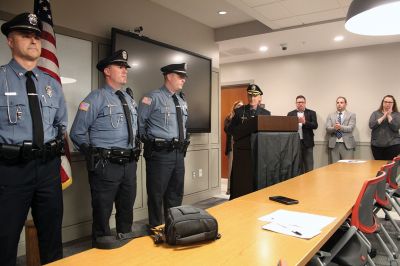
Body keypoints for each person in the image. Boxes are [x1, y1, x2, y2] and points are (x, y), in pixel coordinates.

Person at [0, 13, 68, 265]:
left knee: (52, 239)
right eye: (25, 35)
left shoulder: (51, 84)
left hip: (48, 169)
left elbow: (61, 123)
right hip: (10, 170)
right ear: (10, 41)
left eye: (37, 36)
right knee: (5, 239)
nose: (33, 40)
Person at [70, 50, 140, 246]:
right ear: (107, 71)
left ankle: (126, 243)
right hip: (106, 164)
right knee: (102, 211)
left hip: (129, 164)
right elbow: (77, 132)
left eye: (126, 67)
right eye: (120, 66)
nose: (125, 70)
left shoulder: (128, 98)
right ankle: (100, 246)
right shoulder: (96, 97)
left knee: (126, 209)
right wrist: (91, 153)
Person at [138, 63, 190, 227]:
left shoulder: (181, 100)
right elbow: (139, 125)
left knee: (175, 194)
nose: (183, 80)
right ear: (168, 76)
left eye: (184, 77)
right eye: (180, 76)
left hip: (178, 154)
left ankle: (173, 228)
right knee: (156, 194)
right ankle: (156, 228)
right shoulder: (152, 98)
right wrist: (153, 143)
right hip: (160, 154)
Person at [227, 84, 270, 199]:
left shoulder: (266, 113)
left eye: (255, 96)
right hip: (242, 153)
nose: (252, 98)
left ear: (260, 97)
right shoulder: (240, 111)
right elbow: (229, 129)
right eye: (250, 95)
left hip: (259, 152)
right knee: (242, 179)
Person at [287, 95, 318, 173]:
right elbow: (287, 127)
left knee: (309, 166)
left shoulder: (311, 113)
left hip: (308, 143)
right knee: (297, 167)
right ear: (296, 103)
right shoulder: (290, 114)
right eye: (298, 102)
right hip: (295, 143)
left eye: (302, 102)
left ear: (305, 103)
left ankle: (310, 183)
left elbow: (315, 125)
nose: (300, 104)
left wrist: (305, 122)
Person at [326, 96, 356, 163]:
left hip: (347, 145)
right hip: (334, 144)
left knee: (348, 167)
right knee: (334, 167)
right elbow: (328, 128)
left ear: (345, 104)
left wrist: (340, 127)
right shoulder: (331, 115)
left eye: (341, 102)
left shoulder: (352, 115)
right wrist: (334, 128)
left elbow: (350, 128)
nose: (339, 104)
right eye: (337, 102)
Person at [369, 95, 400, 160]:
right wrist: (383, 116)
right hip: (376, 145)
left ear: (393, 103)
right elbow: (371, 125)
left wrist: (388, 115)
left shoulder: (397, 114)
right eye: (385, 102)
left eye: (390, 102)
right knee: (379, 167)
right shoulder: (375, 113)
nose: (387, 104)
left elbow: (396, 127)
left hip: (393, 145)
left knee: (390, 167)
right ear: (382, 103)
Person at [224, 100, 244, 194]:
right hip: (232, 145)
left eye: (242, 106)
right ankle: (229, 189)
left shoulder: (243, 117)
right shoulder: (229, 117)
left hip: (242, 145)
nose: (240, 107)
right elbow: (227, 129)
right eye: (238, 105)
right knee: (231, 168)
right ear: (234, 107)